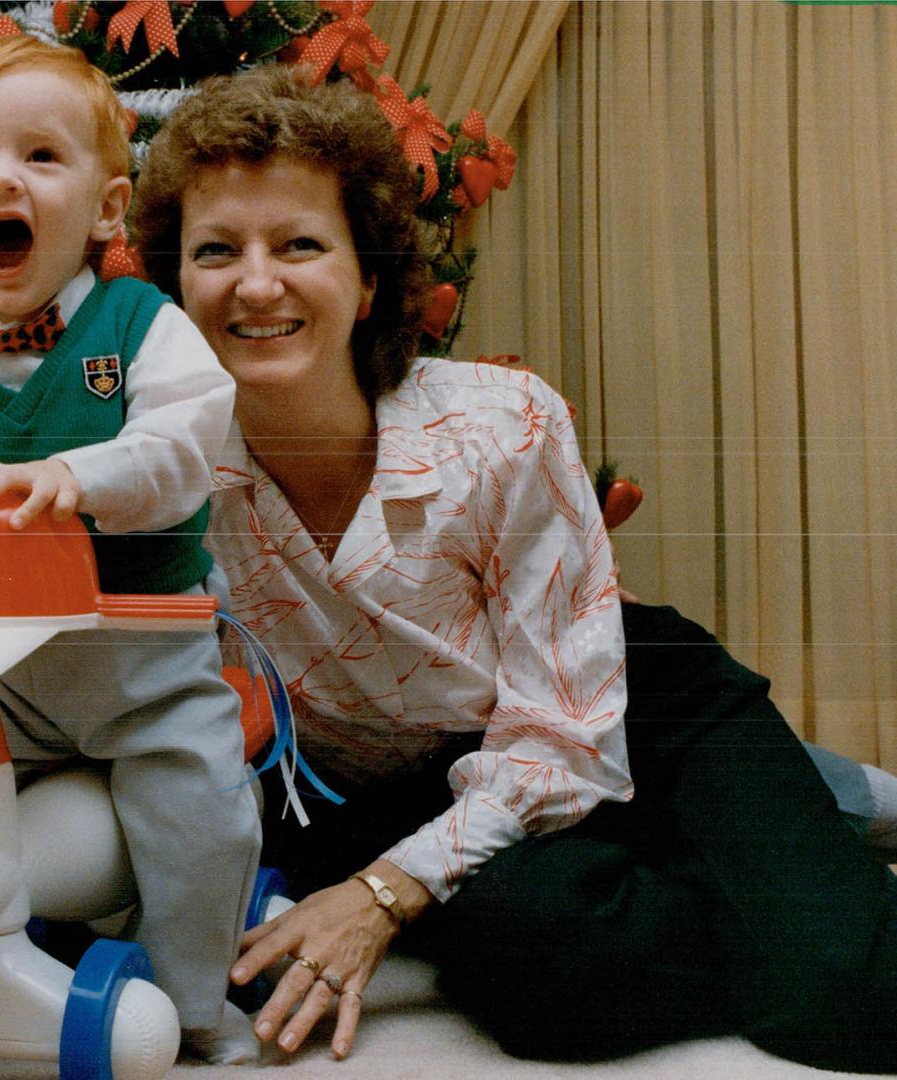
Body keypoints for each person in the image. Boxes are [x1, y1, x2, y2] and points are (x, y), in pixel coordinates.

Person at [131, 63, 897, 1074]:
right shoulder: (155, 473)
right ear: (176, 285)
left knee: (846, 999)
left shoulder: (499, 427)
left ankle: (819, 828)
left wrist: (382, 894)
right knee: (533, 962)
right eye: (216, 251)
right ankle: (771, 855)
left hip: (617, 704)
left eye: (300, 245)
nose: (256, 281)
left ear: (366, 280)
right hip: (410, 777)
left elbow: (563, 729)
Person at [0, 35, 261, 1062]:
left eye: (41, 156)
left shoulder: (144, 327)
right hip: (7, 671)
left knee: (203, 817)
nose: (5, 179)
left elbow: (180, 449)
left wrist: (77, 479)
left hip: (148, 657)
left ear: (107, 208)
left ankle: (192, 1005)